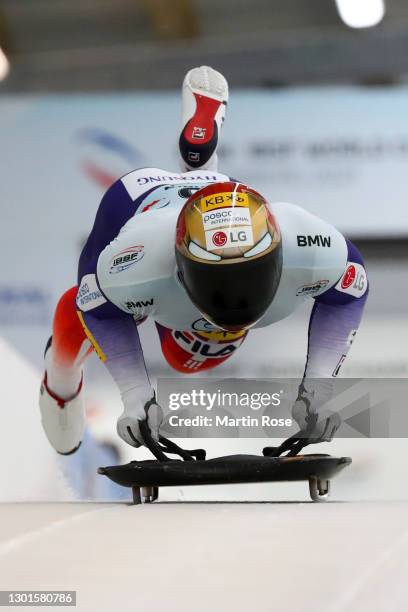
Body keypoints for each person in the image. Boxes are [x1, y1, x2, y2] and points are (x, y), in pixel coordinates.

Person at [39, 66, 368, 454]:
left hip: (202, 211)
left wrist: (318, 389)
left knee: (185, 358)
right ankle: (60, 378)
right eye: (219, 283)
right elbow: (97, 307)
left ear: (278, 251)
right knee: (85, 303)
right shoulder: (136, 265)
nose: (235, 298)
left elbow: (352, 289)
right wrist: (136, 395)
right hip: (131, 210)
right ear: (180, 266)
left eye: (249, 276)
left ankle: (200, 164)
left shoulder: (310, 243)